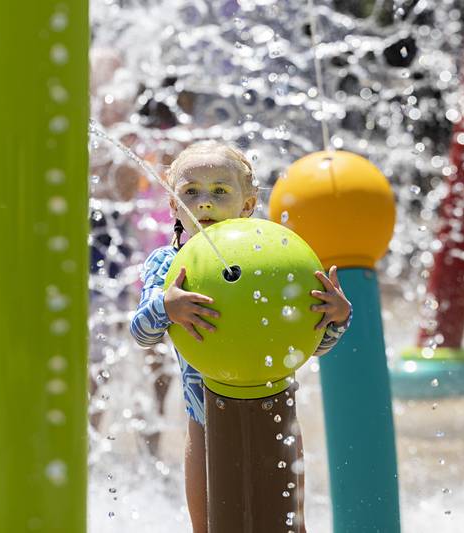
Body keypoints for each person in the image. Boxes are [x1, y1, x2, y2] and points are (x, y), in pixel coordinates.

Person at [129, 140, 352, 533]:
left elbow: (310, 347)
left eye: (220, 191)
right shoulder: (167, 265)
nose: (205, 203)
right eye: (191, 191)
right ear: (172, 205)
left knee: (291, 526)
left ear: (248, 205)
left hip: (275, 407)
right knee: (209, 527)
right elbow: (142, 334)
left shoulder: (273, 261)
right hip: (203, 419)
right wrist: (166, 307)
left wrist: (335, 320)